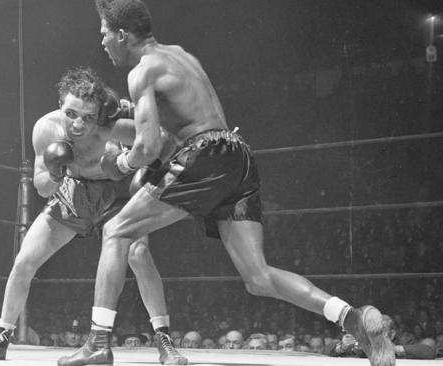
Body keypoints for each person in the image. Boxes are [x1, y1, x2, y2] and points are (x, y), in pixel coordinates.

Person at [59, 1, 395, 366]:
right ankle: (353, 318)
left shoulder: (142, 71)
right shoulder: (181, 56)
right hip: (238, 155)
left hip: (204, 155)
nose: (103, 43)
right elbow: (170, 129)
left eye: (105, 34)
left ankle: (98, 342)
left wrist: (119, 162)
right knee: (258, 277)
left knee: (116, 232)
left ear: (122, 35)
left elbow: (148, 145)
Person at [0, 67, 186, 365]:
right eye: (71, 114)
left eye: (87, 117)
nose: (78, 124)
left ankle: (164, 340)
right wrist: (56, 170)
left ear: (100, 113)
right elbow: (42, 187)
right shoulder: (46, 128)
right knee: (24, 261)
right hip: (72, 194)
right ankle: (1, 337)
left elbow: (162, 141)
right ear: (61, 104)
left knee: (138, 254)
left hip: (116, 194)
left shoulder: (115, 128)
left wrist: (143, 168)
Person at [326, 315, 437, 360]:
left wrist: (395, 349)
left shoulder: (404, 340)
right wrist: (342, 347)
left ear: (392, 334)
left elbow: (429, 352)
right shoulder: (362, 341)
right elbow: (326, 350)